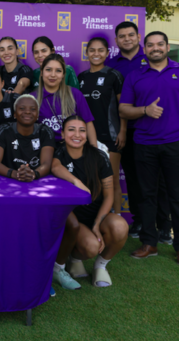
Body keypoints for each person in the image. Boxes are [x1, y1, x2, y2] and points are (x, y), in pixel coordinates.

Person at [120, 31, 179, 265]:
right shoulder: (134, 76)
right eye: (150, 45)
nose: (155, 48)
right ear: (145, 48)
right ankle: (149, 243)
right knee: (147, 196)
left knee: (177, 196)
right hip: (144, 145)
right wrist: (144, 110)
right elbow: (124, 110)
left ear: (168, 47)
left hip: (176, 144)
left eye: (160, 44)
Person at [107, 21, 170, 240]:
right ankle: (139, 221)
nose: (126, 39)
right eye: (122, 36)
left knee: (159, 180)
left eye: (130, 35)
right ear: (116, 41)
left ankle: (164, 225)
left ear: (138, 37)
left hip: (153, 129)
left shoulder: (152, 60)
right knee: (133, 179)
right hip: (125, 131)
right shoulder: (111, 65)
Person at [51, 116, 128, 288]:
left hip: (96, 213)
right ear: (63, 134)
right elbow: (55, 167)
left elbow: (109, 196)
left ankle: (101, 266)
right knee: (91, 247)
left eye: (82, 130)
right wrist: (77, 182)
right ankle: (75, 258)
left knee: (120, 226)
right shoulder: (58, 153)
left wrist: (97, 223)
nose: (77, 134)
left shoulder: (99, 156)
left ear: (87, 134)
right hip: (74, 220)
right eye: (71, 130)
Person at [78, 37, 126, 213]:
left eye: (100, 50)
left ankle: (117, 219)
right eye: (92, 50)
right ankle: (94, 220)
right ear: (86, 53)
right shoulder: (81, 77)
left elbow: (123, 108)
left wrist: (123, 131)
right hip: (85, 138)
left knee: (111, 181)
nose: (96, 54)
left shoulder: (114, 76)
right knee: (91, 179)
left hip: (110, 136)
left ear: (107, 53)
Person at [33, 54, 97, 145]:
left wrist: (95, 152)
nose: (53, 75)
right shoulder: (32, 98)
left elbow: (88, 124)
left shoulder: (75, 94)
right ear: (42, 72)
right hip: (44, 149)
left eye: (58, 71)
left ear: (63, 74)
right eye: (48, 70)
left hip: (72, 148)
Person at [0, 95, 55, 181]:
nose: (27, 112)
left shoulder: (45, 132)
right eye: (22, 108)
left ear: (38, 115)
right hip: (7, 181)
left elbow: (46, 164)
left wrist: (33, 174)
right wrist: (15, 174)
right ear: (15, 114)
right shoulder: (4, 130)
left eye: (33, 109)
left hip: (35, 183)